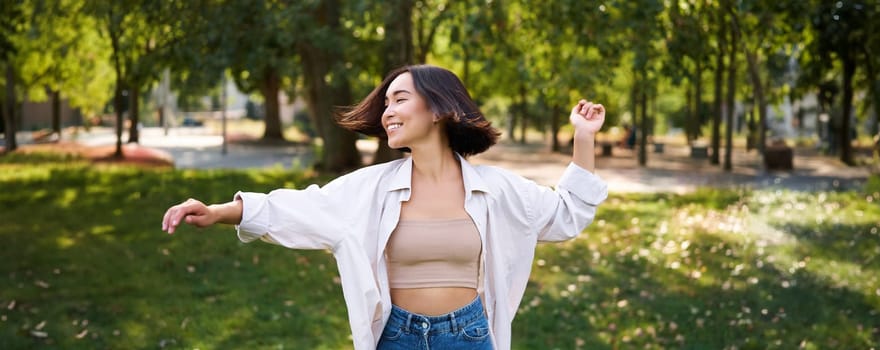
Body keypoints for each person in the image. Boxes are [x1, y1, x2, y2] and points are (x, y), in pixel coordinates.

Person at [161, 65, 608, 350]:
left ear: (438, 110)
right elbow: (300, 209)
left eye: (399, 100)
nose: (387, 112)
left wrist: (583, 137)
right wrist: (221, 211)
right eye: (386, 103)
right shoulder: (371, 189)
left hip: (469, 336)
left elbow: (567, 213)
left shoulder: (495, 189)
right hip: (397, 336)